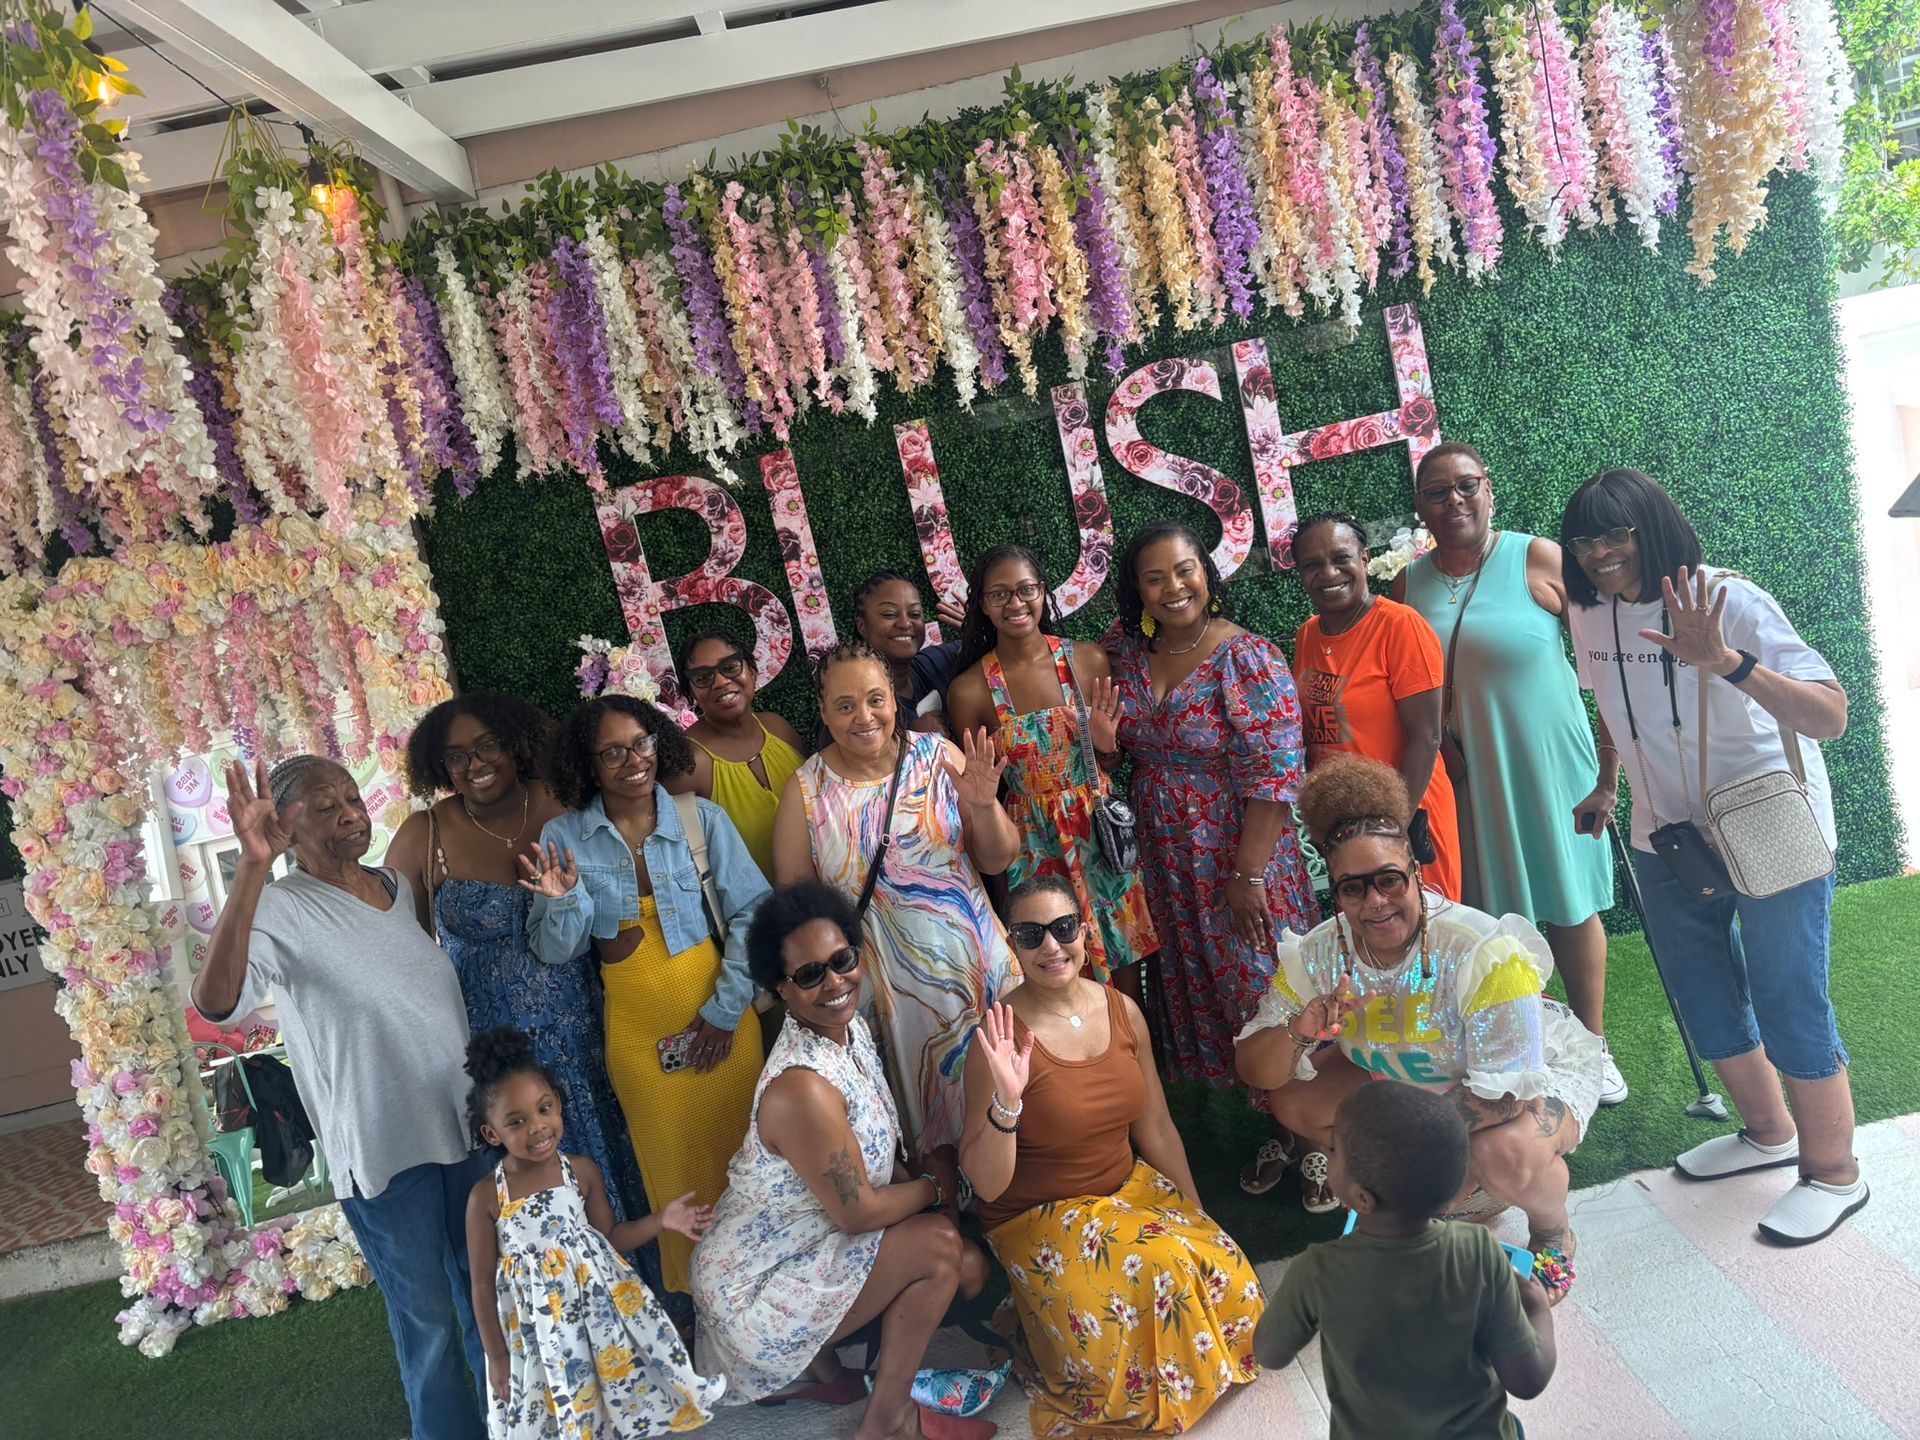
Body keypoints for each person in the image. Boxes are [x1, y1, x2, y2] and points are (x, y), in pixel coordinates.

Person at [1560, 468, 1866, 1245]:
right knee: (1701, 992)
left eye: (1616, 533)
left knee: (1788, 995)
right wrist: (1607, 784)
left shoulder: (1727, 598)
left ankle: (1835, 1174)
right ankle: (1767, 1132)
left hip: (1763, 822)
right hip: (1667, 835)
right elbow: (1612, 709)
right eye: (1585, 538)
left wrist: (1728, 662)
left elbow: (1830, 713)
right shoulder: (1590, 615)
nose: (1600, 552)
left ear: (1652, 527)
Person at [192, 756, 494, 1440]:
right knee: (430, 1330)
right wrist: (250, 869)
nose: (350, 814)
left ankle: (515, 1426)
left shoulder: (397, 887)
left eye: (352, 798)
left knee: (487, 1306)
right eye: (324, 808)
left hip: (466, 1132)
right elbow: (217, 1005)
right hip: (385, 1154)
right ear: (285, 828)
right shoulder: (280, 908)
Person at [1235, 757, 1603, 1291]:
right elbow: (1258, 1071)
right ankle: (1450, 1200)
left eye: (1388, 880)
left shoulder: (1481, 949)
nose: (1375, 903)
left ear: (1415, 870)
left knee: (1505, 1151)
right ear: (1334, 890)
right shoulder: (1320, 951)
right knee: (1297, 1100)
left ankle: (1551, 1230)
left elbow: (1509, 1097)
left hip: (1529, 1076)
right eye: (1352, 888)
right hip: (1417, 1084)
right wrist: (1301, 1029)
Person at [959, 877, 1262, 1437]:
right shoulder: (999, 1036)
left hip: (1127, 1192)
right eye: (1030, 935)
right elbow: (987, 1186)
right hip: (1039, 1213)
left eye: (1063, 928)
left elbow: (1159, 1128)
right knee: (1159, 1271)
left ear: (1084, 930)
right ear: (1012, 945)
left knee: (1230, 1280)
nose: (1051, 947)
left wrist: (1201, 1223)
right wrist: (1007, 1101)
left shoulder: (1122, 1010)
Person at [692, 882, 994, 1440]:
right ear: (780, 989)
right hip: (754, 1290)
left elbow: (878, 1152)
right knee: (941, 1249)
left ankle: (823, 1370)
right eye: (809, 975)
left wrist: (932, 1188)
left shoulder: (845, 1029)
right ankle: (888, 1422)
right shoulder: (802, 1087)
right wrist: (936, 1187)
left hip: (798, 1245)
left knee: (958, 1259)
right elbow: (858, 1213)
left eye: (841, 961)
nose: (833, 982)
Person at [389, 694, 657, 1297]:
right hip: (499, 1056)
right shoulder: (424, 834)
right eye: (455, 756)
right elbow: (398, 955)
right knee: (536, 1191)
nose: (474, 764)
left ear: (514, 743)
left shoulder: (565, 806)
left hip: (588, 1030)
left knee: (617, 1166)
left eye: (487, 745)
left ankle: (649, 1309)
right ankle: (564, 1326)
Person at [1395, 443, 1622, 1105]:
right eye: (1438, 492)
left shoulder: (1539, 557)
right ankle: (1523, 1050)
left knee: (1569, 904)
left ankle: (1592, 1049)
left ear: (1489, 490)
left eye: (1467, 486)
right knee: (1491, 917)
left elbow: (1603, 667)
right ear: (1421, 507)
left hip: (1549, 764)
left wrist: (1609, 777)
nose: (1455, 501)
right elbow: (1407, 688)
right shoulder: (1407, 584)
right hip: (1464, 775)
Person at [524, 694, 772, 1299]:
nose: (631, 760)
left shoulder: (700, 819)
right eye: (611, 751)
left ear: (660, 743)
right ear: (589, 763)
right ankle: (708, 1308)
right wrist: (562, 900)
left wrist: (723, 1011)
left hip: (725, 1022)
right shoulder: (565, 836)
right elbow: (555, 951)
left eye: (641, 743)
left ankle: (774, 1302)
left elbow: (754, 913)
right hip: (640, 1043)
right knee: (676, 1179)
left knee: (754, 1167)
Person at [1100, 520, 1316, 1185]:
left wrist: (1249, 875)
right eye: (1154, 576)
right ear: (1136, 590)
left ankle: (1315, 1139)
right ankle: (1277, 1130)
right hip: (1166, 865)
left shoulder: (1246, 656)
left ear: (1208, 575)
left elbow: (1276, 776)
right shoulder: (1124, 656)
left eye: (1185, 570)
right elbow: (1105, 741)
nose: (1173, 587)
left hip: (1239, 857)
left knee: (1266, 990)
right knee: (1218, 1000)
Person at [772, 641, 1020, 1152]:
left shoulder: (938, 757)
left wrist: (986, 807)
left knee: (1008, 1103)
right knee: (926, 1127)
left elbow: (997, 860)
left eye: (875, 699)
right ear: (823, 711)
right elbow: (797, 914)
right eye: (844, 705)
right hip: (886, 996)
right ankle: (949, 1211)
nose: (864, 717)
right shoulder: (805, 790)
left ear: (894, 698)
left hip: (975, 969)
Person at [462, 1026, 725, 1439]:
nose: (538, 1127)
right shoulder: (486, 1197)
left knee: (606, 1406)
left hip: (597, 1323)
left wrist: (662, 1221)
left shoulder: (580, 1171)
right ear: (492, 1133)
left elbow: (610, 1238)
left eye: (545, 1108)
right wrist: (496, 1356)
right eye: (517, 1121)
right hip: (538, 1338)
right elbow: (480, 1283)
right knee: (552, 1415)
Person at [1256, 1082, 1557, 1440]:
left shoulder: (1317, 1271)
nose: (1329, 1154)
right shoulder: (1479, 1250)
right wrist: (1538, 1309)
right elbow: (1527, 1381)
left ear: (1363, 1199)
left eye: (1334, 1150)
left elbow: (1270, 1354)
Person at [945, 544, 1158, 1001]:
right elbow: (982, 788)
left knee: (1122, 956)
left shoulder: (1087, 660)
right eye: (999, 594)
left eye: (1026, 589)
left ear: (1044, 592)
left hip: (1096, 830)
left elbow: (1111, 762)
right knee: (1053, 960)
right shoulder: (969, 689)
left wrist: (1107, 748)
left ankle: (1134, 1053)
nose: (1015, 603)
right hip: (1030, 840)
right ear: (981, 604)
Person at [1292, 511, 1462, 901]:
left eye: (1341, 559)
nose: (1329, 573)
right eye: (1312, 565)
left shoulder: (1400, 627)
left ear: (1364, 559)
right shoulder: (1307, 635)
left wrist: (1392, 828)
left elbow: (1427, 737)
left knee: (1426, 940)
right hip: (1345, 825)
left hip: (1408, 815)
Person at [667, 630, 809, 883]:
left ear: (752, 672)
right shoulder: (690, 762)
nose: (720, 681)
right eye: (702, 677)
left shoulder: (779, 728)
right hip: (755, 917)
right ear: (692, 693)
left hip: (824, 899)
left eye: (730, 666)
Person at [852, 570, 965, 734]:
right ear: (862, 626)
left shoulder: (928, 664)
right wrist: (912, 739)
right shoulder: (849, 698)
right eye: (889, 614)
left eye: (915, 614)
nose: (905, 623)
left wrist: (979, 630)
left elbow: (996, 650)